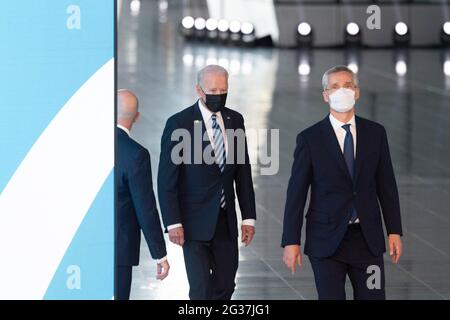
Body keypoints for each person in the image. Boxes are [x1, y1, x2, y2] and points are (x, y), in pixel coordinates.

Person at [282, 65, 403, 300]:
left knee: (374, 296)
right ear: (325, 95)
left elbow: (387, 185)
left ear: (357, 92)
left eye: (348, 86)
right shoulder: (310, 138)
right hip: (326, 241)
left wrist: (395, 230)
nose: (342, 91)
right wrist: (291, 241)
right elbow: (296, 193)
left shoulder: (375, 133)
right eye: (335, 87)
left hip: (368, 241)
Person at [157, 65, 256, 300]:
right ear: (199, 91)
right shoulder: (179, 124)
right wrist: (172, 223)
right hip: (193, 223)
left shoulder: (235, 120)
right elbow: (166, 180)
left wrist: (248, 217)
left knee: (225, 286)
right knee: (201, 291)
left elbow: (243, 173)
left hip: (226, 221)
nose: (218, 95)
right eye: (213, 89)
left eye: (224, 90)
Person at [116, 89, 169, 300]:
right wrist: (160, 254)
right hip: (118, 251)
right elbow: (145, 208)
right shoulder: (135, 154)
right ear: (137, 117)